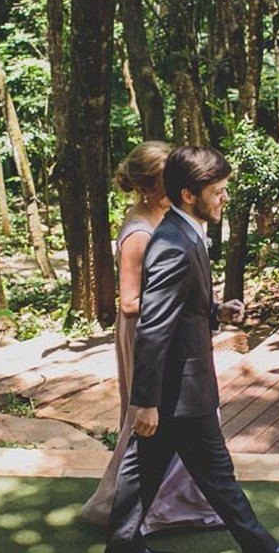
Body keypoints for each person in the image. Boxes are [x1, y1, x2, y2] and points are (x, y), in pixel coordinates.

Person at [104, 145, 279, 553]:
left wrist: (216, 310)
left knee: (142, 464)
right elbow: (152, 326)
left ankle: (124, 546)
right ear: (188, 194)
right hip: (179, 388)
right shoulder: (172, 244)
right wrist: (144, 401)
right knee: (215, 472)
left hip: (177, 385)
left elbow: (179, 307)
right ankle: (262, 552)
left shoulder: (184, 232)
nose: (224, 198)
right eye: (218, 191)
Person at [82, 141, 222, 532]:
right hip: (146, 332)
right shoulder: (139, 232)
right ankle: (125, 506)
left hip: (171, 328)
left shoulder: (172, 221)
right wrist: (175, 300)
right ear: (151, 187)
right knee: (148, 416)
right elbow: (128, 302)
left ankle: (179, 503)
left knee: (175, 421)